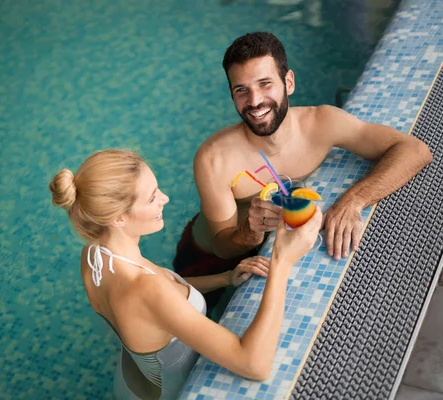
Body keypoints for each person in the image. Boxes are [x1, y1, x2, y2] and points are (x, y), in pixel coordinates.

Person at [174, 31, 432, 297]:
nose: (254, 101)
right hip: (208, 260)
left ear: (289, 82)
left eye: (265, 84)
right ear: (232, 94)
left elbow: (415, 150)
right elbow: (221, 246)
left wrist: (352, 202)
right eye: (242, 90)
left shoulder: (322, 124)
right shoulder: (215, 159)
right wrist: (251, 231)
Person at [49, 149, 322, 399]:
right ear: (118, 218)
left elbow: (157, 305)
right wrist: (282, 261)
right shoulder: (147, 290)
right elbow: (254, 364)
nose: (165, 199)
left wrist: (225, 278)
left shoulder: (94, 255)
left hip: (134, 383)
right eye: (153, 196)